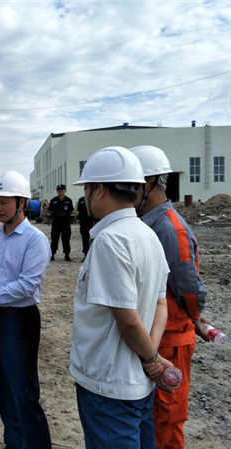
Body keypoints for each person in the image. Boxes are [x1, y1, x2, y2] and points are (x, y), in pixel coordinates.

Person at [69, 146, 175, 449]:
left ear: (100, 189)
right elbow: (160, 304)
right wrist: (151, 356)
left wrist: (151, 359)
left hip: (109, 386)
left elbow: (127, 319)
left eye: (87, 189)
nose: (86, 197)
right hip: (137, 383)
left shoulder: (111, 240)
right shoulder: (147, 234)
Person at [130, 145, 212, 449]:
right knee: (149, 417)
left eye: (131, 185)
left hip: (172, 339)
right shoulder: (148, 223)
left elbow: (190, 290)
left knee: (167, 418)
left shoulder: (168, 227)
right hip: (154, 337)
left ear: (149, 183)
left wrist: (194, 317)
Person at [0, 170, 52, 449]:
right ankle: (14, 442)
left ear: (21, 203)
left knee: (23, 391)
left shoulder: (34, 240)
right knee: (3, 387)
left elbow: (27, 286)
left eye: (4, 202)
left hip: (20, 321)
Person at [48, 184, 74, 261]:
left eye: (62, 190)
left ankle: (67, 255)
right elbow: (50, 211)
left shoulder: (68, 200)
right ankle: (52, 254)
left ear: (65, 190)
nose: (60, 191)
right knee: (54, 239)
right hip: (56, 223)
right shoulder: (53, 200)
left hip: (65, 223)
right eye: (59, 190)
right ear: (57, 191)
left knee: (66, 239)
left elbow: (71, 211)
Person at [76, 196, 93, 261]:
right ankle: (86, 254)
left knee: (93, 239)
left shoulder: (94, 198)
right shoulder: (81, 199)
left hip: (92, 223)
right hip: (83, 224)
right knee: (85, 240)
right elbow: (79, 211)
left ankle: (93, 255)